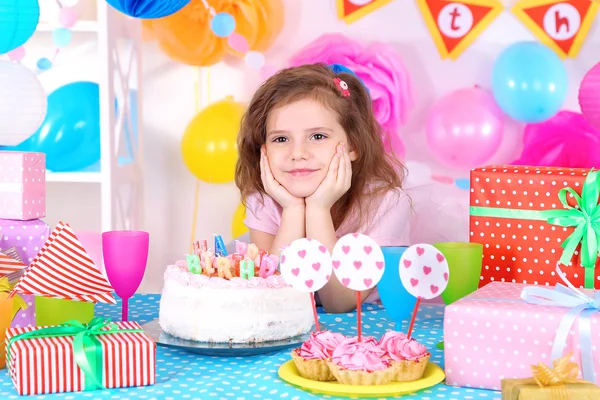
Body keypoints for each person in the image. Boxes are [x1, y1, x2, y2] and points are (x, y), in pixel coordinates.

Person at [235, 63, 412, 313]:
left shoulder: (386, 202)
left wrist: (318, 210)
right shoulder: (265, 199)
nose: (298, 153)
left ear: (353, 145)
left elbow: (339, 303)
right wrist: (293, 211)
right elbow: (268, 299)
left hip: (361, 332)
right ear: (263, 150)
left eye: (318, 136)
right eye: (281, 139)